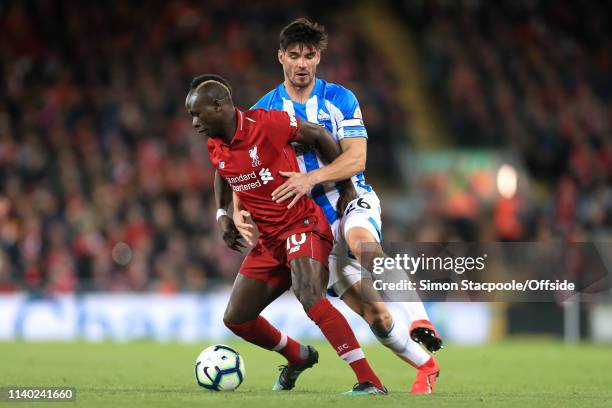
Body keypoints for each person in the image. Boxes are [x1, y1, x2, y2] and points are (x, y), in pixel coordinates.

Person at [228, 18, 442, 394]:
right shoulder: (265, 109)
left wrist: (311, 178)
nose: (302, 64)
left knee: (363, 243)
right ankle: (427, 365)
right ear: (281, 57)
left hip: (350, 200)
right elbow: (240, 160)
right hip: (311, 224)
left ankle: (421, 320)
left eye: (309, 56)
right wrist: (234, 208)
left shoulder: (340, 99)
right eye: (294, 56)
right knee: (374, 314)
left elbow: (356, 159)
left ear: (318, 58)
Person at [186, 74, 387, 396]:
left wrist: (346, 184)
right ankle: (298, 355)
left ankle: (369, 381)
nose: (194, 122)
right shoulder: (215, 143)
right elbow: (222, 171)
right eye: (191, 116)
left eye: (197, 114)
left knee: (308, 295)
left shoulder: (266, 123)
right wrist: (223, 215)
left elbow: (318, 133)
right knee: (236, 319)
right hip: (269, 242)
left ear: (218, 106)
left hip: (302, 226)